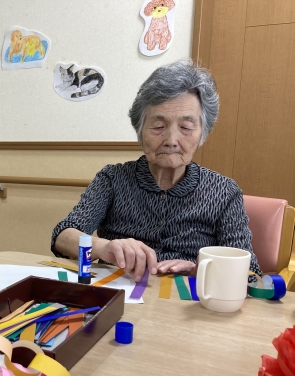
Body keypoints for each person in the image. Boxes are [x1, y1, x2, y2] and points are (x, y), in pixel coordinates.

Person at [51, 60, 261, 282]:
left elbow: (251, 273)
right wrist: (103, 247)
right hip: (120, 291)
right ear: (140, 131)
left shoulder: (224, 191)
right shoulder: (112, 179)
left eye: (186, 127)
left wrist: (202, 270)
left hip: (190, 297)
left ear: (202, 133)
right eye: (158, 126)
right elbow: (63, 236)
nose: (171, 140)